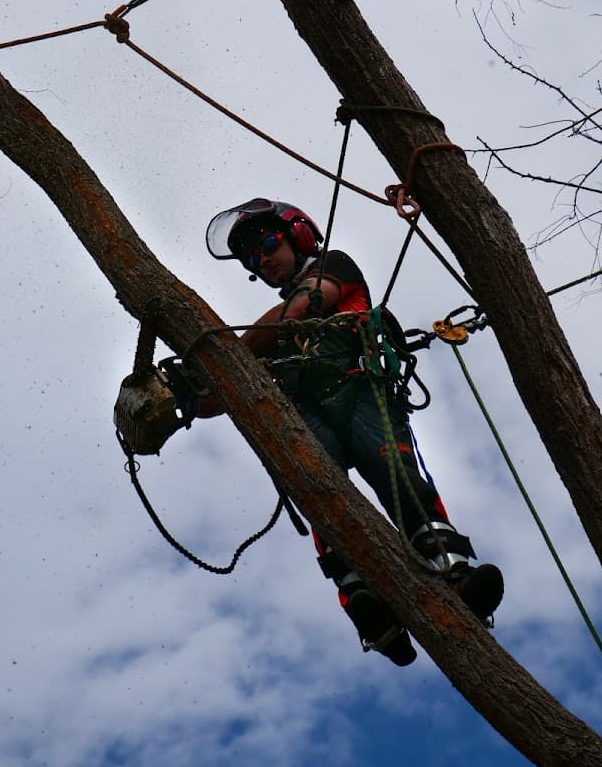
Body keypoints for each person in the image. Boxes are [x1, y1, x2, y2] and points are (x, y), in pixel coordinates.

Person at [205, 197, 504, 667]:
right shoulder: (264, 338)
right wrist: (186, 389)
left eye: (266, 245)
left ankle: (452, 572)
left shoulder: (333, 268)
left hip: (360, 391)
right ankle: (366, 602)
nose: (261, 261)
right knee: (319, 490)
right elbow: (217, 398)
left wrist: (226, 354)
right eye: (251, 259)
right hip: (306, 412)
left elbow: (300, 310)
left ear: (296, 235)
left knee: (397, 472)